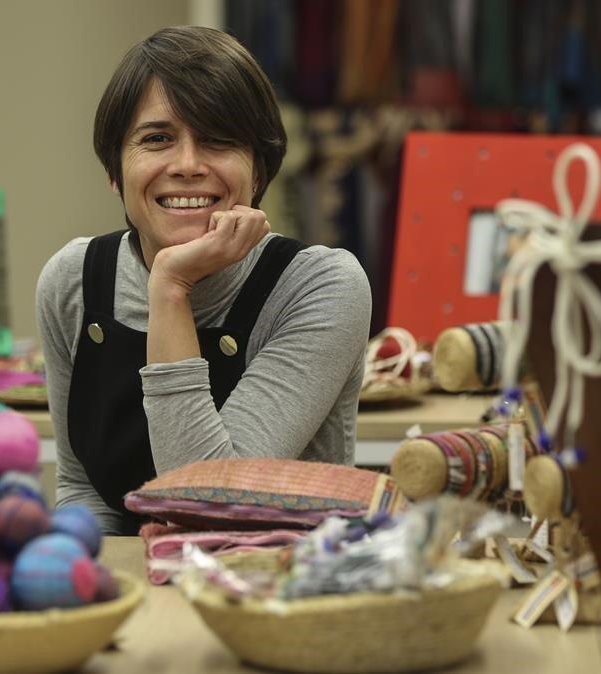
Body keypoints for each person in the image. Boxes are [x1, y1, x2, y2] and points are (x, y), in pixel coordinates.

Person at [36, 26, 371, 534]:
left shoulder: (320, 286)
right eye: (157, 139)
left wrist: (170, 287)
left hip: (282, 593)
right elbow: (83, 487)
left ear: (258, 172)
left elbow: (207, 505)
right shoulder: (73, 281)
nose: (188, 165)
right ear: (113, 170)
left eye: (218, 140)